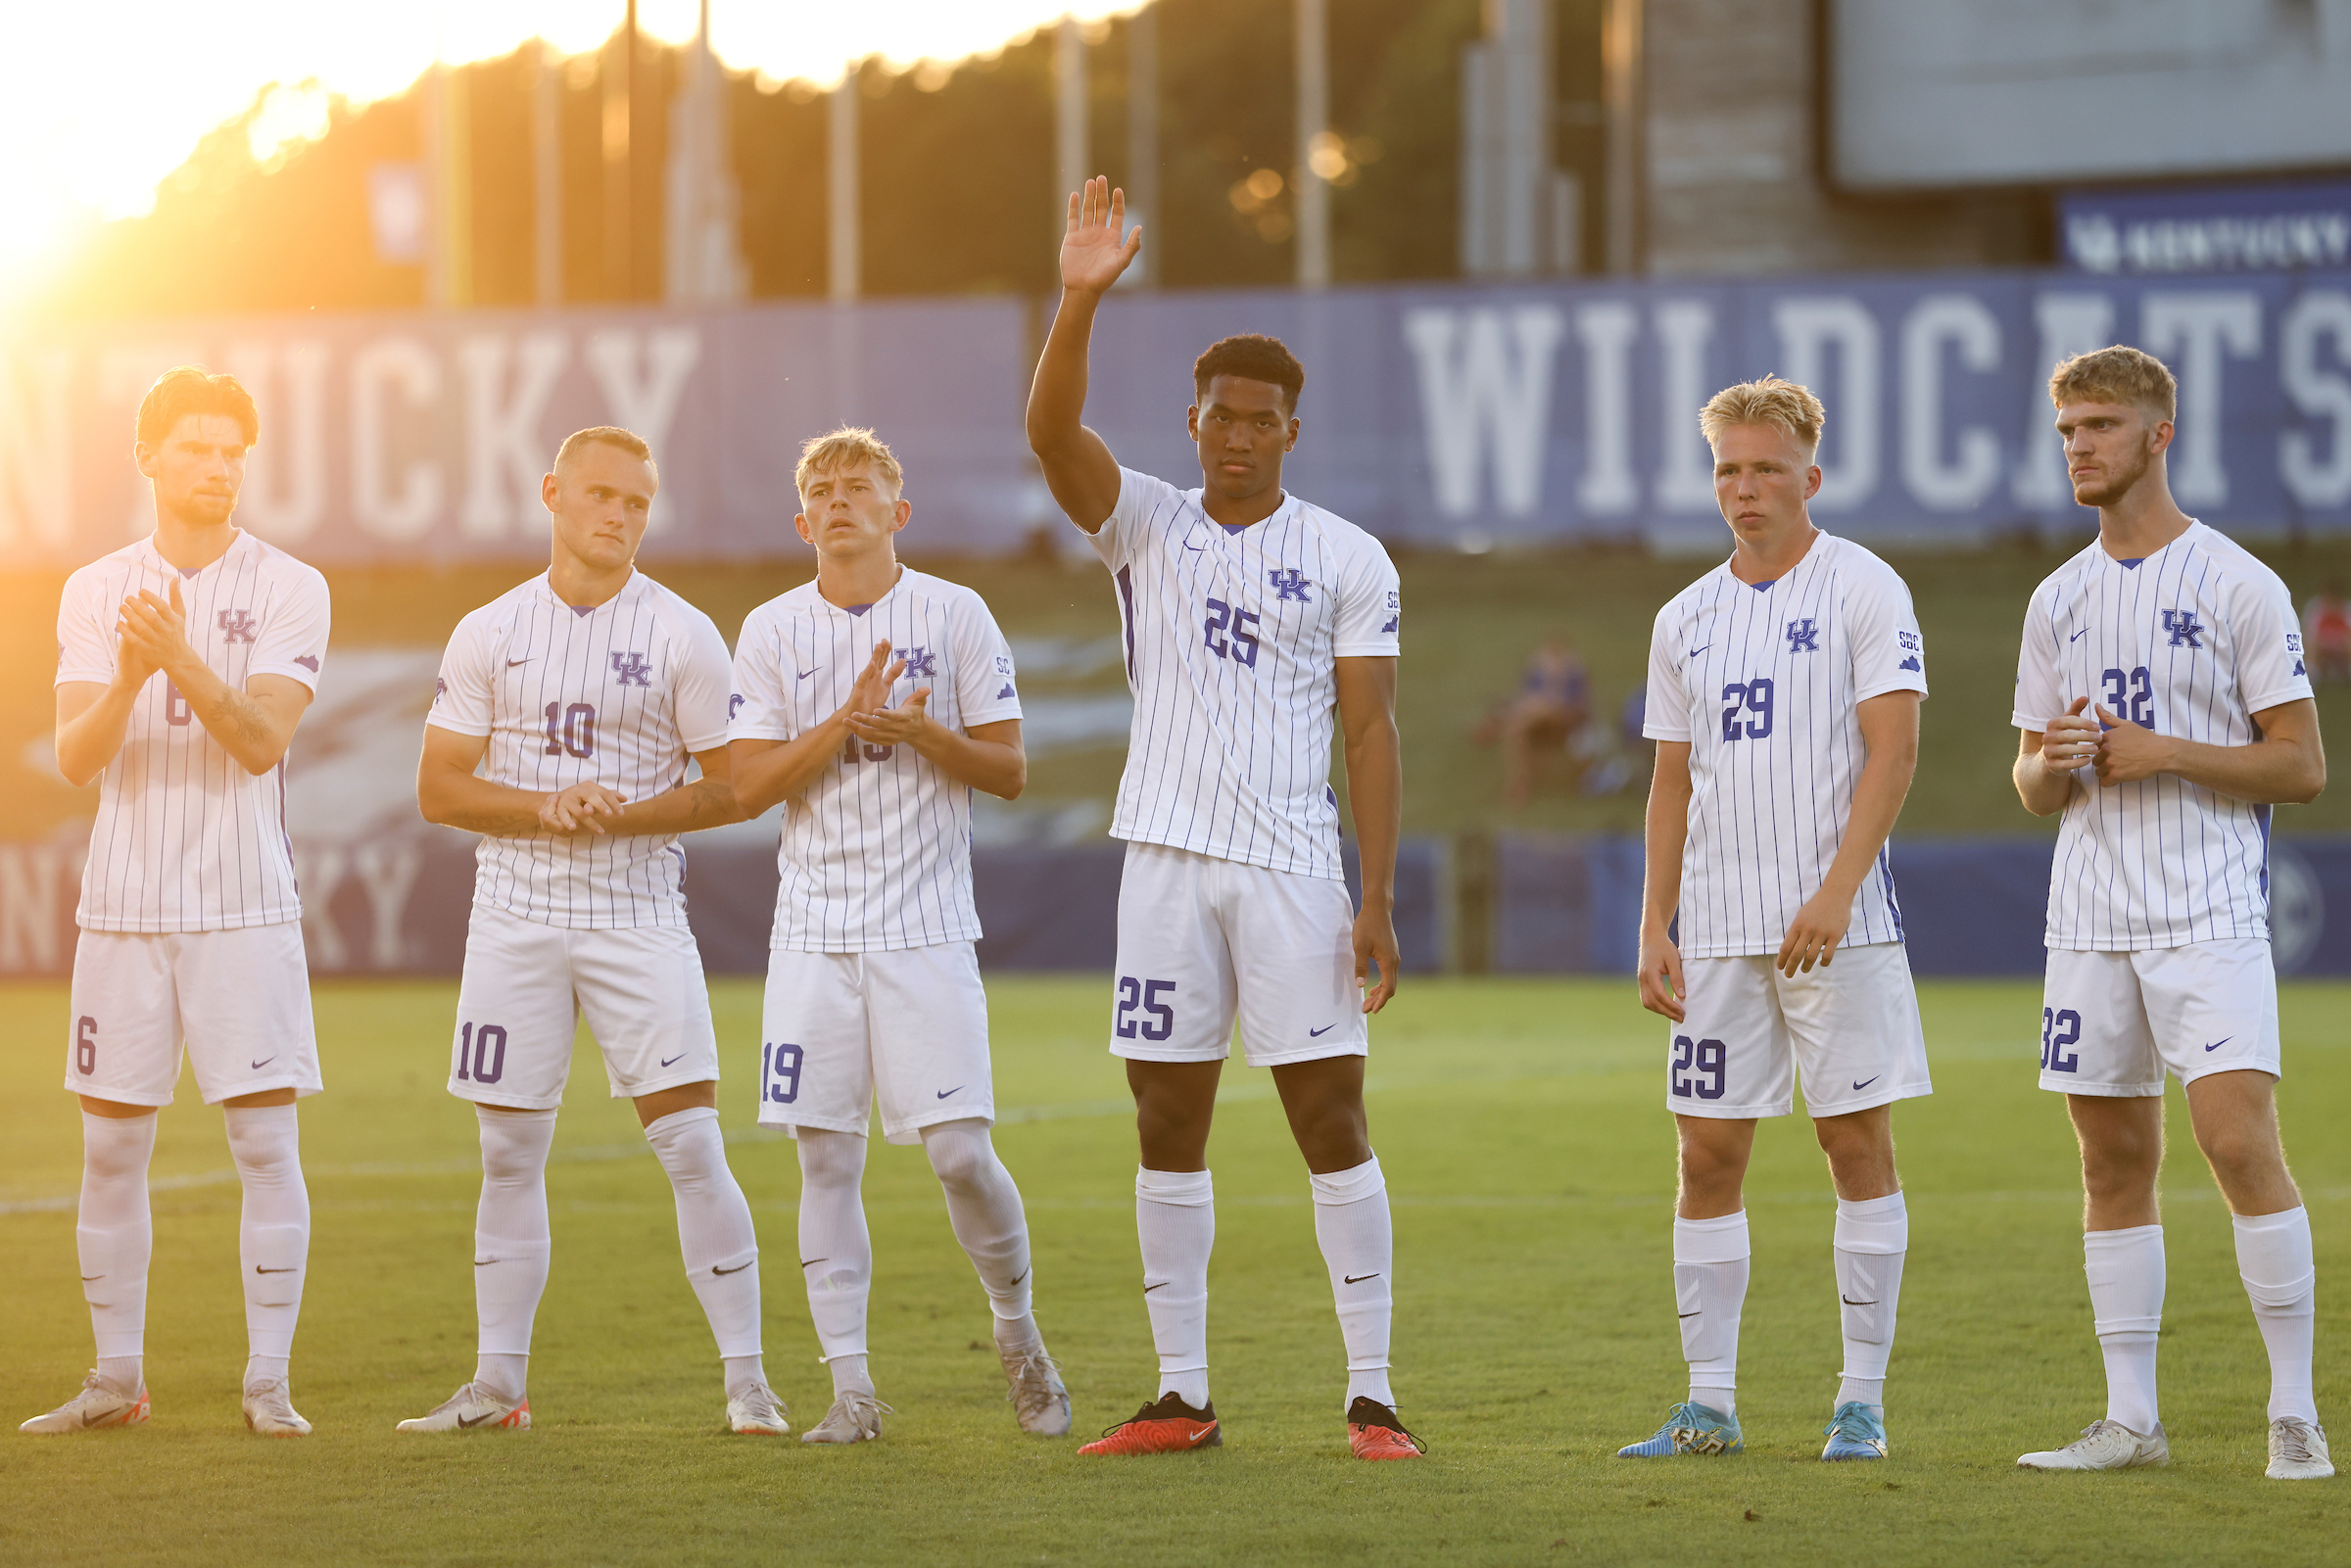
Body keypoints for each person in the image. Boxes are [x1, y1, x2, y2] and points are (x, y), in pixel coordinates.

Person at [1026, 178, 1418, 1461]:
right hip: (1163, 865)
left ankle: (1372, 1396)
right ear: (1192, 422)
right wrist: (1081, 293)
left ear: (1291, 432)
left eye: (1262, 420)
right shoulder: (1146, 523)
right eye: (1220, 416)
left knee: (1327, 1116)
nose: (1237, 436)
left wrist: (1376, 895)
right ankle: (1181, 1394)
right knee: (1164, 1118)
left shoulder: (1351, 556)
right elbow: (1048, 430)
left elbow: (1369, 730)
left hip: (1296, 869)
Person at [400, 426, 784, 1437]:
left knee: (692, 1144)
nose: (619, 516)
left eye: (637, 502)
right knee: (508, 1153)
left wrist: (622, 813)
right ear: (554, 494)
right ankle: (496, 1385)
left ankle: (748, 1381)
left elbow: (730, 786)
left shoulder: (684, 632)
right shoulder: (489, 628)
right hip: (514, 915)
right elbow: (438, 788)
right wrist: (543, 807)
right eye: (603, 495)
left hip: (634, 911)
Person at [2010, 346, 2330, 1480]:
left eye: (2099, 425)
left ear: (2159, 435)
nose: (2079, 447)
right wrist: (2057, 762)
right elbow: (2030, 782)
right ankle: (2130, 1417)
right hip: (2088, 914)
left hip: (2207, 908)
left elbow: (2301, 766)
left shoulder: (2236, 582)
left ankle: (2294, 1409)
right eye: (2066, 430)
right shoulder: (2057, 597)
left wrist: (2162, 753)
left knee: (2239, 1143)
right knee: (2111, 1160)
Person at [728, 427, 1069, 1445]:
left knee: (961, 1154)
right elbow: (748, 785)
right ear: (801, 521)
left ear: (896, 511)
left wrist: (925, 735)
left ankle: (1018, 1332)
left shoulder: (956, 613)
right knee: (824, 1157)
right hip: (814, 930)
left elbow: (1008, 770)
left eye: (859, 486)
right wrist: (842, 723)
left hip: (923, 928)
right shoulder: (771, 629)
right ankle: (853, 1389)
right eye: (822, 490)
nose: (840, 500)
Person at [1624, 375, 1931, 1465]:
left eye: (1764, 467)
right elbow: (1670, 781)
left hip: (1836, 924)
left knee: (1855, 1142)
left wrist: (1840, 887)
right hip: (1713, 930)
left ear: (1812, 473)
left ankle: (1861, 1400)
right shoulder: (1684, 617)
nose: (1744, 489)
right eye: (1726, 469)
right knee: (1707, 1154)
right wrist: (1656, 921)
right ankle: (1708, 1402)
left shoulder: (1865, 587)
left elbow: (1892, 750)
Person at [24, 367, 329, 1439]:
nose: (218, 464)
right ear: (149, 458)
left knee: (263, 1146)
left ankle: (267, 1379)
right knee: (110, 1149)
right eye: (196, 446)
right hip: (122, 906)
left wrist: (180, 656)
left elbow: (259, 742)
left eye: (232, 448)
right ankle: (116, 1377)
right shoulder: (95, 587)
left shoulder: (293, 584)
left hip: (244, 905)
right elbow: (75, 756)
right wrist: (126, 677)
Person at [1474, 634, 1590, 807]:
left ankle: (1498, 728)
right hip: (1535, 728)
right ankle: (1520, 784)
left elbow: (1578, 710)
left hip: (1560, 727)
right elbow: (1525, 697)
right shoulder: (1537, 676)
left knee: (1524, 719)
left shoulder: (1573, 677)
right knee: (1518, 734)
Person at [2301, 581, 2349, 686]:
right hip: (2321, 646)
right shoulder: (2315, 607)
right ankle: (2311, 674)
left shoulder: (2346, 609)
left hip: (2341, 647)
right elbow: (2309, 633)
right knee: (2311, 644)